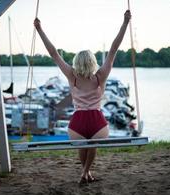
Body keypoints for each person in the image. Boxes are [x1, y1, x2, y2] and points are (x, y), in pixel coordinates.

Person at [34, 10, 131, 184]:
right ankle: (85, 172)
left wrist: (40, 30)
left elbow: (54, 54)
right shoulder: (100, 76)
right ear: (93, 62)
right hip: (97, 120)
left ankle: (85, 173)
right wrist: (125, 23)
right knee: (92, 145)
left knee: (83, 145)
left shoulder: (72, 76)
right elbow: (114, 49)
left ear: (76, 62)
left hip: (77, 121)